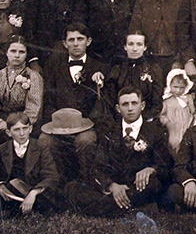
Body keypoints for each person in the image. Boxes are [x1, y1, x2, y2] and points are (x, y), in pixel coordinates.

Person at [65, 87, 171, 217]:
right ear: (118, 108)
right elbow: (98, 167)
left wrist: (150, 169)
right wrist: (112, 186)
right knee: (72, 187)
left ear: (142, 106)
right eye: (125, 104)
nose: (130, 108)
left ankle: (103, 207)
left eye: (134, 103)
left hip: (137, 188)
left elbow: (165, 166)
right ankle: (126, 208)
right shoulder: (109, 131)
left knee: (154, 184)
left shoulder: (155, 132)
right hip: (115, 186)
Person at [39, 23, 106, 181]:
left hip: (86, 126)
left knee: (86, 140)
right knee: (44, 141)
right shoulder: (53, 66)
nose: (76, 43)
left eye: (80, 39)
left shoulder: (99, 67)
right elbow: (48, 99)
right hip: (59, 126)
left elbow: (101, 102)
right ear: (65, 43)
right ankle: (58, 183)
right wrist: (57, 122)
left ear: (88, 41)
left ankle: (86, 184)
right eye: (71, 40)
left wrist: (87, 121)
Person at [0, 112, 62, 216]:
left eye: (25, 128)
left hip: (32, 191)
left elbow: (52, 177)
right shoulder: (1, 150)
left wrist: (33, 193)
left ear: (30, 129)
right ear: (9, 132)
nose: (22, 133)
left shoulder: (41, 147)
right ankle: (12, 210)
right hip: (10, 194)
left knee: (46, 200)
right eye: (17, 130)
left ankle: (8, 211)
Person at [129, 0, 187, 75]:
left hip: (175, 58)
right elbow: (135, 27)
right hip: (148, 58)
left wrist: (180, 60)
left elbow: (187, 31)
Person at [0, 36, 43, 140]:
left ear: (26, 55)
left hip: (24, 123)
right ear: (6, 53)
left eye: (21, 52)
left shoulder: (33, 76)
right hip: (0, 123)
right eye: (13, 51)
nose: (17, 55)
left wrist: (11, 125)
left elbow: (34, 109)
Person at [100, 32, 164, 123]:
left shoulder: (153, 70)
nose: (134, 49)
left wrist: (143, 119)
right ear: (125, 47)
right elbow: (110, 100)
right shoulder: (117, 70)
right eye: (130, 44)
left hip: (146, 121)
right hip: (119, 121)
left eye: (139, 44)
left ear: (145, 47)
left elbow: (157, 101)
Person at [159, 69, 196, 154]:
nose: (178, 90)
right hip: (173, 126)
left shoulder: (188, 98)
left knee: (187, 143)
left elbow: (193, 112)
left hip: (186, 124)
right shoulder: (167, 100)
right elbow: (162, 115)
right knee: (173, 143)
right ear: (170, 85)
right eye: (175, 87)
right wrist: (167, 123)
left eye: (181, 88)